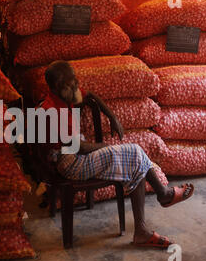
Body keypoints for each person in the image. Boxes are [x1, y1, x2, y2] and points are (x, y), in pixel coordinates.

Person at [39, 60, 195, 248]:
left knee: (133, 157)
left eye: (75, 80)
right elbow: (77, 148)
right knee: (133, 152)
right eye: (71, 82)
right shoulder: (50, 111)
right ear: (57, 86)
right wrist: (103, 146)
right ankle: (161, 197)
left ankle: (146, 225)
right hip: (70, 163)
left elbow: (92, 96)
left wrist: (112, 117)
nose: (76, 85)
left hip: (78, 153)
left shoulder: (66, 95)